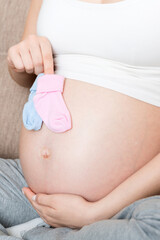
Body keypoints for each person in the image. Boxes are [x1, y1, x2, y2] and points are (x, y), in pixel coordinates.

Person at [0, 0, 160, 239]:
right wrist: (19, 60)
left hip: (124, 204)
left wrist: (95, 212)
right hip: (27, 190)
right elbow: (24, 76)